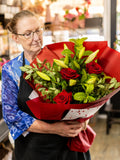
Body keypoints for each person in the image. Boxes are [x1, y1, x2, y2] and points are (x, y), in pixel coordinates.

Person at [2, 10, 91, 160]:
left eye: (38, 30)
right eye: (28, 33)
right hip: (33, 149)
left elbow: (84, 96)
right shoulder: (11, 70)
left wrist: (84, 119)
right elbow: (12, 115)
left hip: (69, 146)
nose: (36, 38)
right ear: (16, 38)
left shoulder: (62, 58)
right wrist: (54, 129)